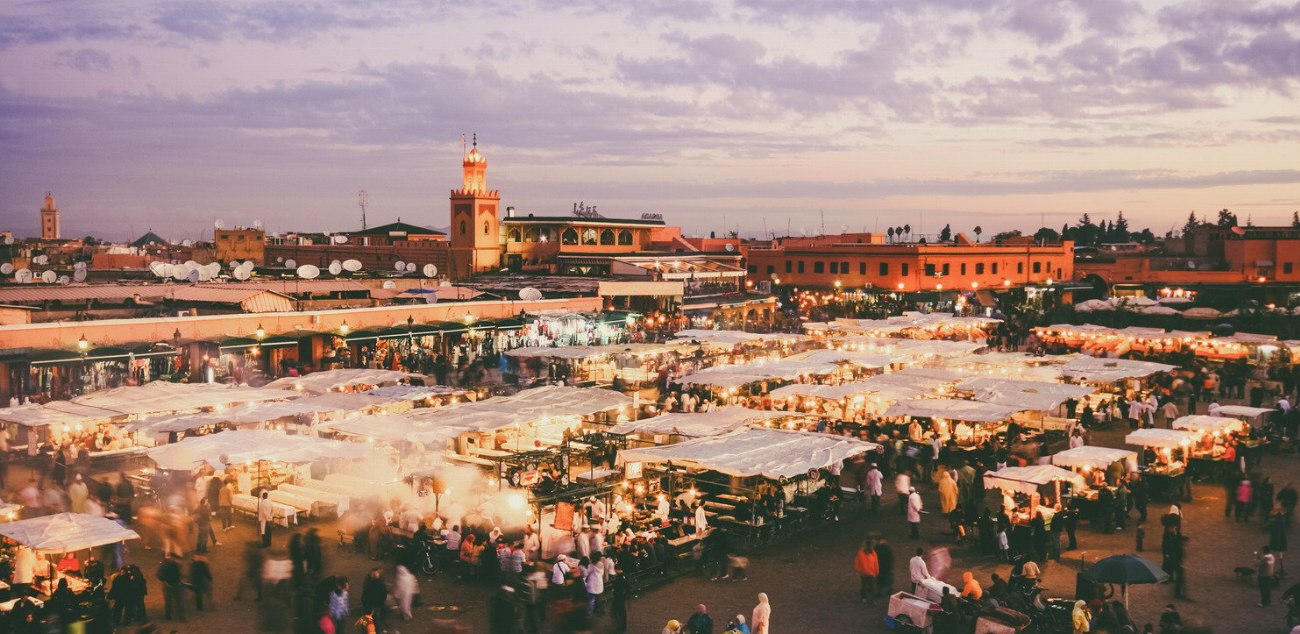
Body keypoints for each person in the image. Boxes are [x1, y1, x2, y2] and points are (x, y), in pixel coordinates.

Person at [157, 555, 185, 622]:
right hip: (168, 586)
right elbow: (159, 575)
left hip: (176, 584)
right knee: (168, 602)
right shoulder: (164, 565)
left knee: (179, 601)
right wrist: (164, 582)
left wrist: (180, 580)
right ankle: (168, 615)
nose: (171, 559)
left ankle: (182, 616)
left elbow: (178, 573)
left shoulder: (175, 565)